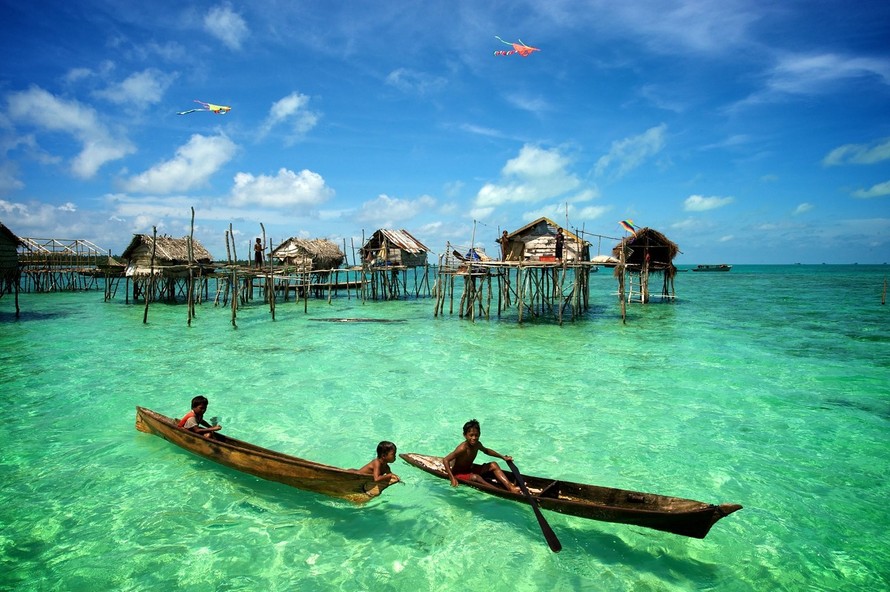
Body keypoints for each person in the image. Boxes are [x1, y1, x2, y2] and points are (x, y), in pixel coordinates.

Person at [443, 419, 519, 493]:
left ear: (479, 434)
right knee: (476, 478)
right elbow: (445, 460)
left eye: (476, 435)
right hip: (458, 473)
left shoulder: (477, 444)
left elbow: (486, 451)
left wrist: (503, 457)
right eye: (471, 435)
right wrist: (452, 478)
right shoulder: (462, 448)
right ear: (465, 435)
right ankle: (498, 491)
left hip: (470, 469)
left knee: (493, 465)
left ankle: (510, 487)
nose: (474, 438)